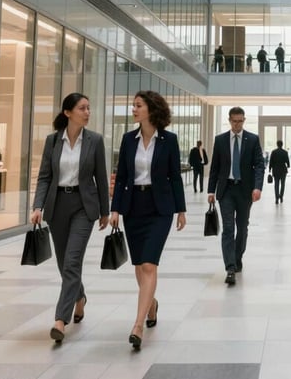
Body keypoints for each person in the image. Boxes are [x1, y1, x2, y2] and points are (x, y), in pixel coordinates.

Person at [110, 90, 186, 350]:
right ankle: (151, 304)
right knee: (139, 266)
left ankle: (138, 325)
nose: (133, 109)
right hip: (133, 207)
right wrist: (115, 209)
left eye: (138, 105)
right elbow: (121, 177)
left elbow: (175, 176)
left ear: (151, 109)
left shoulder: (169, 140)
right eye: (133, 105)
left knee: (150, 265)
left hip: (159, 208)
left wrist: (181, 210)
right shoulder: (128, 139)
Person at [30, 93, 110, 343]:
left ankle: (59, 320)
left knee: (72, 261)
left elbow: (101, 177)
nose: (88, 112)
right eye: (82, 108)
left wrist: (105, 211)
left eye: (89, 108)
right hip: (57, 206)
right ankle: (80, 297)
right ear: (68, 113)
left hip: (83, 207)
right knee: (65, 263)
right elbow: (45, 176)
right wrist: (37, 206)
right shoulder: (53, 141)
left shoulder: (95, 141)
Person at [208, 107, 264, 286]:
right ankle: (230, 267)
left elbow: (259, 165)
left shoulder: (253, 139)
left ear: (244, 120)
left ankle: (237, 257)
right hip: (226, 190)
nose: (237, 124)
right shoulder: (220, 140)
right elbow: (215, 168)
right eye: (234, 121)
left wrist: (257, 187)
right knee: (228, 228)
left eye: (240, 121)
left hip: (245, 190)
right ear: (229, 120)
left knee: (242, 228)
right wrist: (211, 191)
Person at [268, 139, 290, 204]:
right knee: (283, 184)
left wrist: (270, 168)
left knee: (276, 185)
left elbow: (271, 161)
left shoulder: (274, 152)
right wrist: (288, 165)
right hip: (283, 170)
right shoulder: (285, 152)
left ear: (277, 144)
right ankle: (281, 196)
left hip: (276, 170)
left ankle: (276, 198)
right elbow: (287, 162)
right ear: (282, 144)